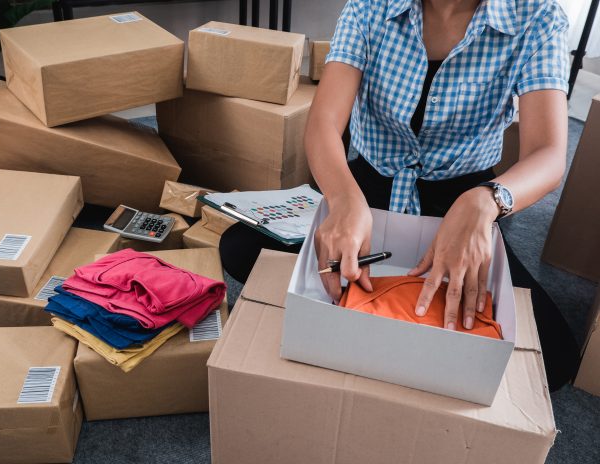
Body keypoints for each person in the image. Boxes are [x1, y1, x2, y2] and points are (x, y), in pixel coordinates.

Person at [220, 0, 579, 391]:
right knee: (240, 248)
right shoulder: (368, 6)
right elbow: (324, 122)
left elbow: (548, 155)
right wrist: (342, 199)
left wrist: (485, 201)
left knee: (555, 358)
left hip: (465, 199)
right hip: (368, 183)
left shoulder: (539, 17)